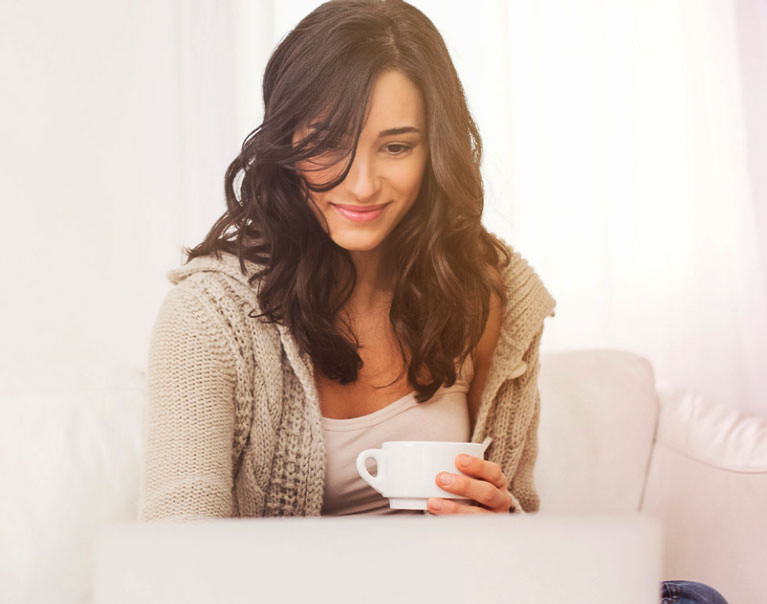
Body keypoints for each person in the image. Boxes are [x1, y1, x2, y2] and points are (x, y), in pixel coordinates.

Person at [138, 1, 727, 602]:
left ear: (435, 148)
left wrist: (504, 533)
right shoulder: (212, 316)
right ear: (286, 143)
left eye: (396, 147)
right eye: (326, 145)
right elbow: (178, 565)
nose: (361, 183)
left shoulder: (487, 289)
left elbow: (519, 527)